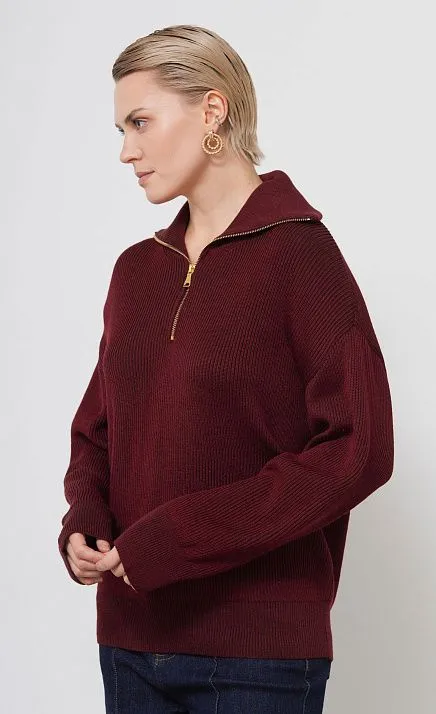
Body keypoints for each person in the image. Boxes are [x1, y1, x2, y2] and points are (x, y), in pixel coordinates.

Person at [57, 24, 394, 714]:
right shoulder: (136, 270)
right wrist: (84, 516)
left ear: (212, 110)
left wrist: (179, 537)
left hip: (256, 657)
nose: (126, 151)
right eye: (122, 129)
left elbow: (360, 448)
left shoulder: (300, 256)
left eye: (141, 122)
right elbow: (98, 429)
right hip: (130, 643)